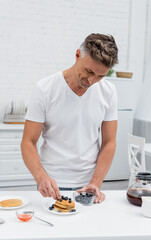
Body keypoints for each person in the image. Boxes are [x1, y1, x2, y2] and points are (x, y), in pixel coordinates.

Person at [21, 33, 118, 204]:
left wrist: (96, 182)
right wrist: (41, 177)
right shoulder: (44, 89)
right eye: (89, 71)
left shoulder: (108, 92)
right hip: (51, 183)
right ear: (77, 55)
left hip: (89, 184)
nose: (92, 80)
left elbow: (109, 142)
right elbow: (28, 141)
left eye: (101, 75)